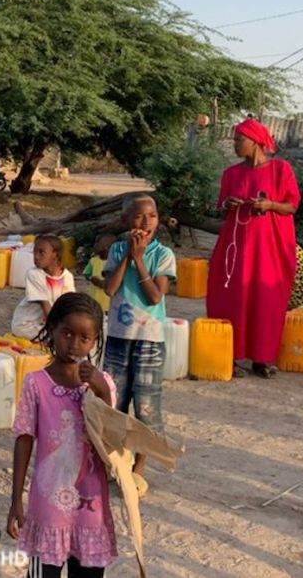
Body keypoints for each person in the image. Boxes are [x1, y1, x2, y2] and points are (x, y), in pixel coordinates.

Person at [8, 293, 118, 577]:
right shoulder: (36, 384)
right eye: (67, 333)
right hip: (47, 504)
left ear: (95, 341)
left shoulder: (102, 384)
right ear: (52, 327)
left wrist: (102, 391)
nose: (74, 344)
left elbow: (113, 438)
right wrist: (15, 500)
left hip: (90, 502)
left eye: (85, 338)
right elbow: (24, 439)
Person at [206, 118, 299, 379]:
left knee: (266, 299)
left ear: (256, 142)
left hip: (270, 248)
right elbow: (221, 207)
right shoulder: (231, 174)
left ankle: (263, 358)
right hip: (236, 248)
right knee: (231, 297)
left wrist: (269, 205)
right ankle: (231, 355)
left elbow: (291, 205)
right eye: (235, 139)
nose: (235, 144)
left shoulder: (281, 170)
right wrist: (228, 205)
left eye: (239, 139)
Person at [100, 195, 176, 493]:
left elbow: (155, 297)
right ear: (126, 221)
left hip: (149, 342)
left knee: (146, 406)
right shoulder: (117, 250)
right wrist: (127, 258)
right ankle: (115, 463)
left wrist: (140, 260)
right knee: (114, 404)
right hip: (119, 339)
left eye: (152, 216)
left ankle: (139, 468)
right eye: (139, 217)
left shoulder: (163, 255)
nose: (146, 223)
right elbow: (109, 288)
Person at [12, 235, 77, 341]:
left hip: (47, 323)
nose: (36, 257)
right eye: (34, 252)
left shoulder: (67, 277)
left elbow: (69, 306)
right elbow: (45, 304)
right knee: (60, 339)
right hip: (26, 325)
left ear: (55, 255)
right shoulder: (34, 274)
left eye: (41, 253)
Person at [84, 234, 112, 312]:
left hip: (108, 304)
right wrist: (91, 279)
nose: (95, 245)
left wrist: (104, 283)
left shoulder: (113, 262)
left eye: (98, 243)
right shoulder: (93, 260)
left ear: (106, 248)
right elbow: (86, 274)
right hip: (94, 299)